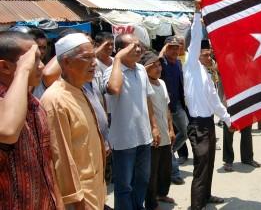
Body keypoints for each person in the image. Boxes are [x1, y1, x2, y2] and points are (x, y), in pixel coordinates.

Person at [41, 33, 106, 209]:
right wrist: (75, 200)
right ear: (67, 62)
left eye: (94, 57)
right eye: (86, 58)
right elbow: (60, 157)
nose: (94, 63)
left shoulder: (80, 89)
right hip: (80, 196)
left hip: (95, 186)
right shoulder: (56, 100)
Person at [0, 31, 62, 210]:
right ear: (4, 67)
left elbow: (47, 160)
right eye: (33, 60)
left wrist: (58, 202)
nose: (42, 66)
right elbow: (8, 130)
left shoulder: (34, 104)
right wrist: (23, 70)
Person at [184, 0, 235, 210]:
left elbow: (215, 102)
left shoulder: (205, 73)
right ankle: (196, 205)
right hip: (197, 125)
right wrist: (197, 12)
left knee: (208, 163)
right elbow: (195, 38)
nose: (207, 51)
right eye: (203, 50)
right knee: (200, 166)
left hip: (208, 124)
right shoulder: (192, 66)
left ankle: (206, 196)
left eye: (208, 50)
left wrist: (228, 120)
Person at [104, 34, 161, 210]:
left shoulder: (141, 70)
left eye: (138, 45)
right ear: (120, 50)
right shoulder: (111, 71)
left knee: (142, 180)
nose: (138, 49)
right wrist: (118, 60)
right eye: (131, 46)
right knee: (124, 186)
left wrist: (154, 126)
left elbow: (147, 99)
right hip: (124, 141)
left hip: (144, 137)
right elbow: (113, 89)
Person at [140, 52, 176, 210]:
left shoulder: (162, 83)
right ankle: (151, 203)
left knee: (165, 168)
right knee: (152, 171)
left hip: (165, 133)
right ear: (145, 68)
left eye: (159, 65)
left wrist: (171, 128)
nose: (158, 68)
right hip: (152, 135)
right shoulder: (143, 85)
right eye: (153, 65)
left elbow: (167, 108)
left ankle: (162, 193)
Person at [160, 36, 188, 184]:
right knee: (167, 137)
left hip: (177, 105)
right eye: (172, 47)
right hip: (164, 107)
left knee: (185, 132)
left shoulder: (178, 63)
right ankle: (174, 172)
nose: (175, 50)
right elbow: (157, 60)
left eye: (177, 47)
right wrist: (163, 50)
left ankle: (168, 152)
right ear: (165, 48)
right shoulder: (160, 62)